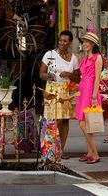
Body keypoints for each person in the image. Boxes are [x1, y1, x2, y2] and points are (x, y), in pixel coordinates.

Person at [39, 30, 80, 159]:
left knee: (65, 121)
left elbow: (78, 79)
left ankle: (60, 150)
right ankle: (49, 148)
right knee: (52, 120)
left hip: (66, 91)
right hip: (51, 90)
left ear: (70, 43)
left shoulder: (73, 59)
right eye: (60, 40)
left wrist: (69, 75)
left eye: (65, 41)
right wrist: (49, 75)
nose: (62, 43)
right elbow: (41, 74)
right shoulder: (49, 54)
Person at [75, 32, 103, 164]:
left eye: (87, 42)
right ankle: (90, 152)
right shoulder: (86, 57)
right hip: (83, 91)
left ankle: (95, 153)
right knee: (85, 124)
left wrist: (93, 97)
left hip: (90, 92)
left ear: (93, 44)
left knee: (84, 124)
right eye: (84, 41)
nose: (84, 44)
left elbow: (97, 78)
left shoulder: (97, 58)